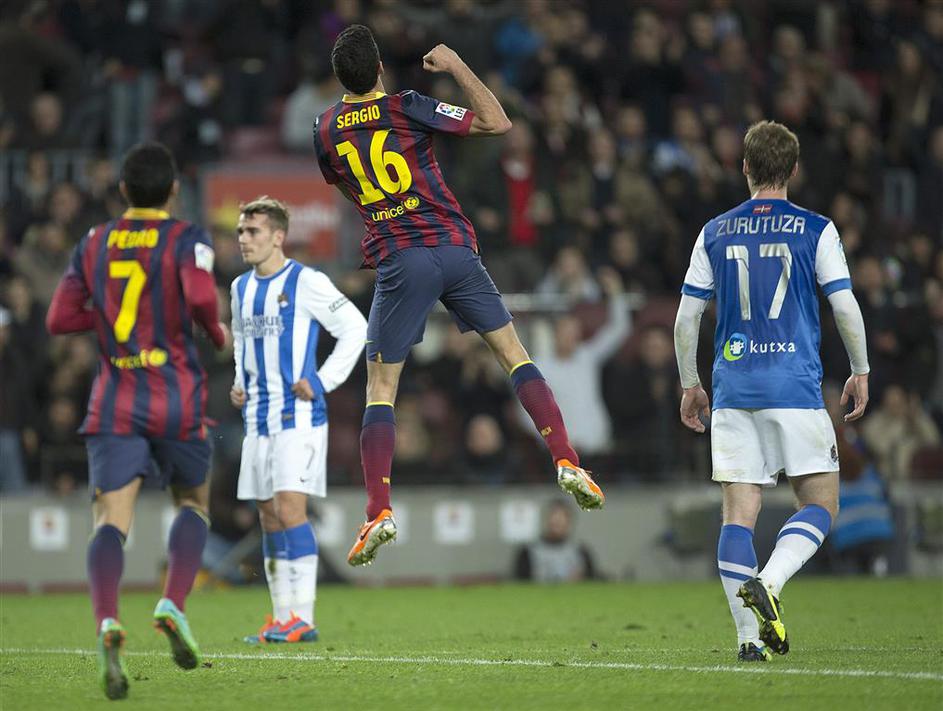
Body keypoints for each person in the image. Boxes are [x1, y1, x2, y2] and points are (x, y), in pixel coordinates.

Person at [313, 25, 605, 568]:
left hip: (400, 259)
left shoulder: (325, 128)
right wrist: (455, 64)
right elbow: (497, 121)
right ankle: (566, 459)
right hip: (453, 248)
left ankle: (379, 510)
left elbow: (344, 182)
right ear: (380, 69)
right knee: (514, 354)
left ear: (340, 78)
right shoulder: (409, 105)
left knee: (382, 385)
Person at [672, 121, 870, 663]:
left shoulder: (714, 231)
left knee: (738, 515)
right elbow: (844, 306)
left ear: (745, 168)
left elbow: (687, 318)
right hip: (795, 387)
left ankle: (746, 641)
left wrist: (691, 383)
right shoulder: (816, 229)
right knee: (821, 501)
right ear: (794, 169)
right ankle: (773, 582)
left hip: (734, 388)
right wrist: (861, 368)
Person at [46, 142, 229, 699]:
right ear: (174, 189)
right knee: (193, 503)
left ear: (123, 191)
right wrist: (215, 334)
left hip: (117, 394)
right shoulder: (187, 237)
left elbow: (58, 319)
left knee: (110, 520)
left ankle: (107, 619)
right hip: (175, 392)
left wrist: (105, 318)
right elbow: (200, 297)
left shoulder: (94, 241)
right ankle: (172, 601)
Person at [228, 196, 366, 643]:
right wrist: (239, 380)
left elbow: (356, 328)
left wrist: (323, 380)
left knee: (290, 511)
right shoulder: (240, 288)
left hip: (299, 416)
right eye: (241, 232)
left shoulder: (306, 282)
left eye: (253, 232)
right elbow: (241, 342)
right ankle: (281, 616)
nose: (244, 239)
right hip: (257, 418)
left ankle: (303, 618)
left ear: (278, 237)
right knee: (268, 517)